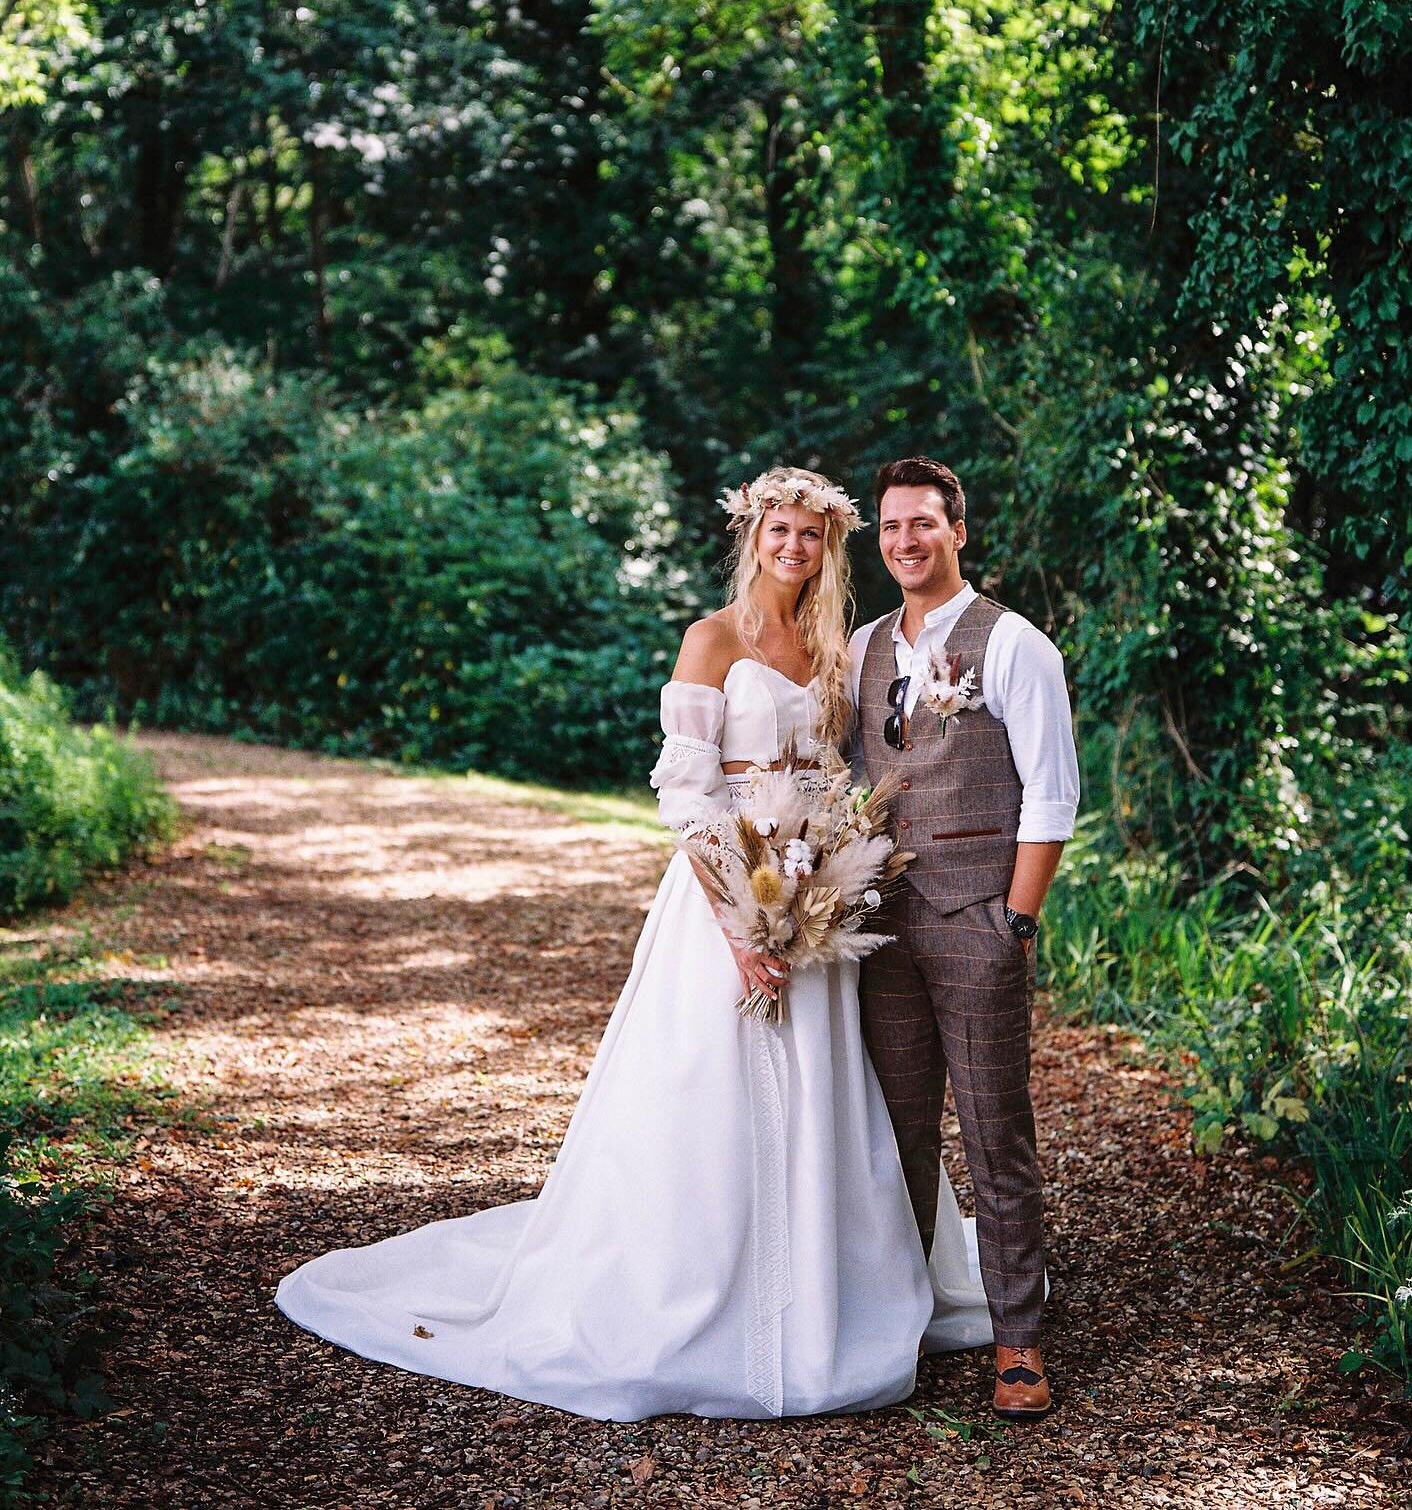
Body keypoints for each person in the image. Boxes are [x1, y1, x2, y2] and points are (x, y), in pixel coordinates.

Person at [275, 465, 992, 1420]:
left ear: (829, 548)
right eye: (779, 532)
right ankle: (697, 1294)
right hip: (724, 887)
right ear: (754, 538)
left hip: (819, 887)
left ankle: (827, 1291)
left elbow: (854, 768)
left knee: (829, 1088)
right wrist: (740, 923)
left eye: (811, 537)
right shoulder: (711, 641)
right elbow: (687, 793)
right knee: (708, 1085)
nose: (794, 549)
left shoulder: (839, 647)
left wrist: (830, 878)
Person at [849, 455, 1080, 1422]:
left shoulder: (1016, 643)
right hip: (880, 933)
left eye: (924, 524)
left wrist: (1013, 924)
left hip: (978, 922)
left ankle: (1017, 1340)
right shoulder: (860, 645)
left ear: (958, 532)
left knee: (996, 1139)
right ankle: (893, 1322)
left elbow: (1053, 794)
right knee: (891, 1135)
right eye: (892, 526)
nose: (906, 541)